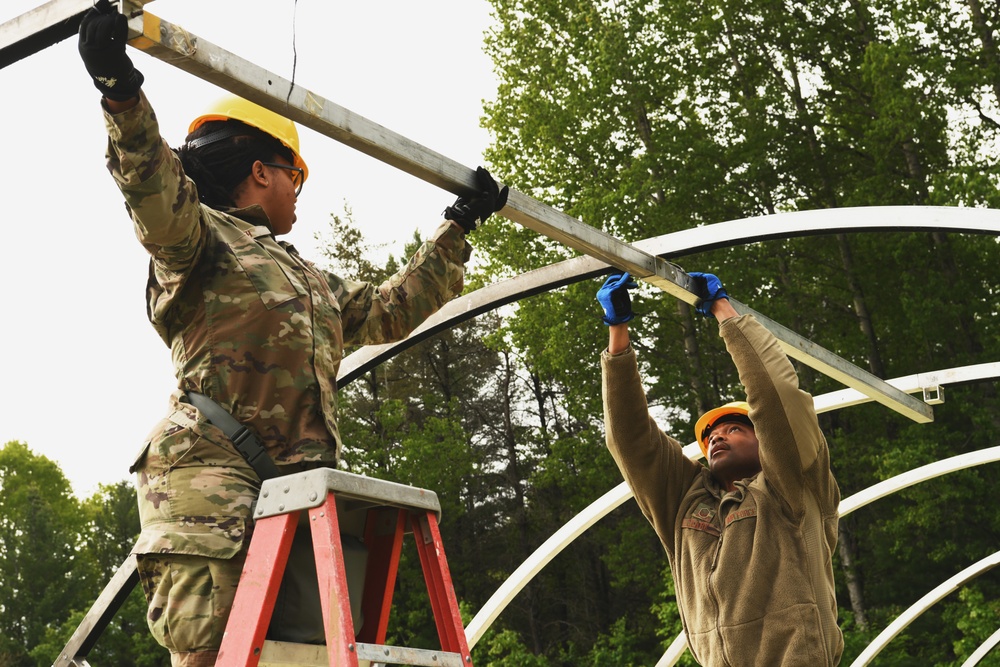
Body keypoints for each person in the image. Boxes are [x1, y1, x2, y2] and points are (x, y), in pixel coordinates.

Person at [77, 2, 508, 665]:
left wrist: (458, 228)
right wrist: (121, 94)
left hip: (295, 493)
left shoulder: (307, 278)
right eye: (296, 174)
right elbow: (155, 191)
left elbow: (393, 308)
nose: (300, 191)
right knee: (217, 651)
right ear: (261, 170)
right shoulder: (197, 239)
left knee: (302, 655)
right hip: (211, 482)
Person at [596, 271, 843, 666]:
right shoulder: (684, 500)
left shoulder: (792, 484)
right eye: (710, 436)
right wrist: (618, 334)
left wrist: (724, 311)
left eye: (734, 429)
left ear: (765, 438)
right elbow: (629, 440)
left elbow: (775, 394)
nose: (717, 438)